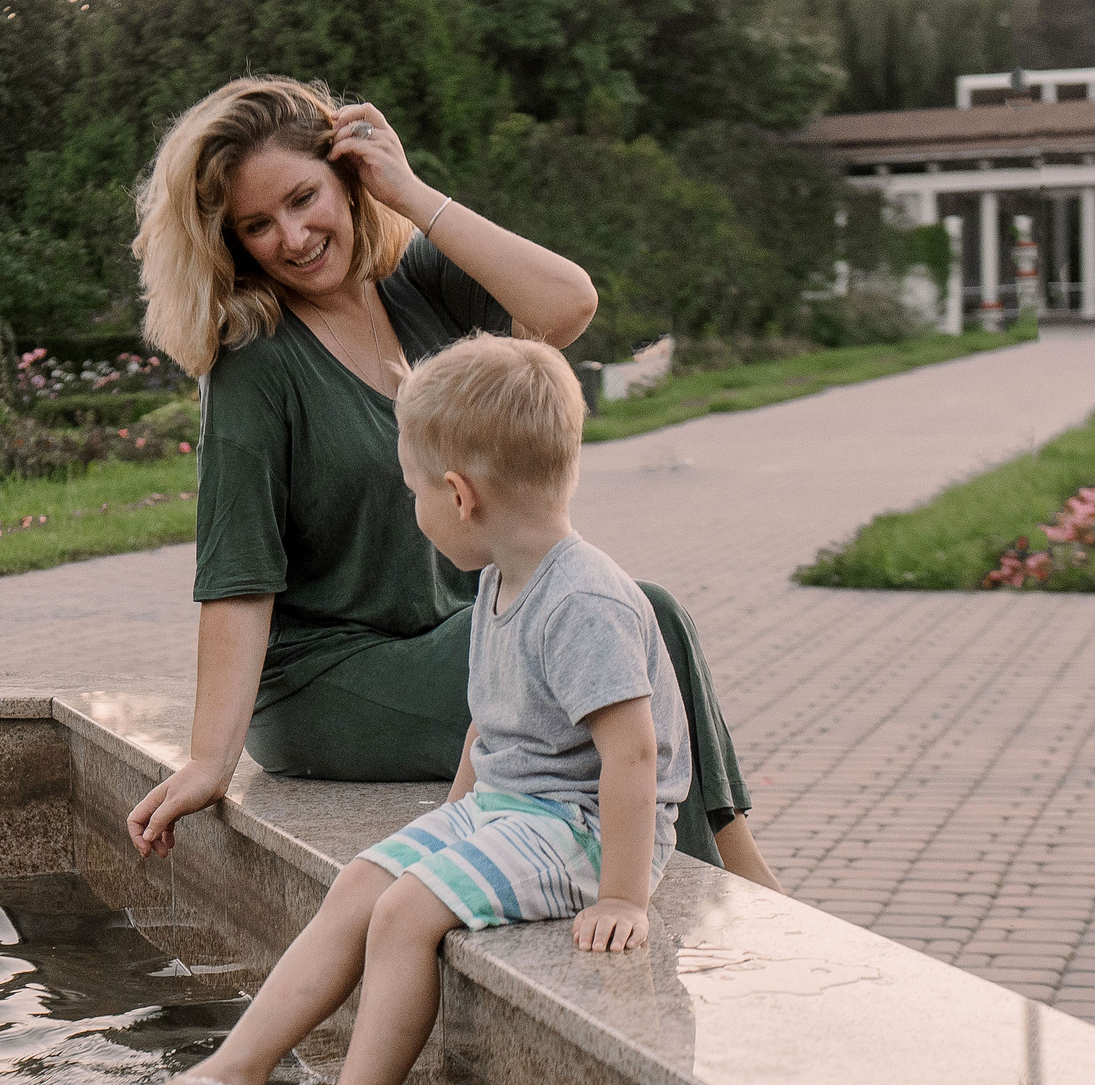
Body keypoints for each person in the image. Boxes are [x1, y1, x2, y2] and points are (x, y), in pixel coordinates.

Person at [121, 75, 780, 891]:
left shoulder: (419, 281)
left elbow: (568, 305)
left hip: (458, 635)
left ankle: (741, 875)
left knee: (652, 615)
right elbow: (238, 574)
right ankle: (730, 899)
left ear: (349, 178)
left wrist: (413, 192)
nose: (292, 237)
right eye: (258, 225)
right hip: (334, 677)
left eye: (304, 197)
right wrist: (208, 759)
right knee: (618, 655)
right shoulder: (253, 361)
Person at [122, 335, 685, 1085]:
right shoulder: (506, 578)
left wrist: (624, 892)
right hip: (513, 810)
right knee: (362, 882)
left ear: (459, 495)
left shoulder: (585, 600)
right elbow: (488, 723)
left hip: (581, 829)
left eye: (416, 491)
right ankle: (234, 1072)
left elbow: (634, 755)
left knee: (406, 913)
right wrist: (455, 815)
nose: (415, 508)